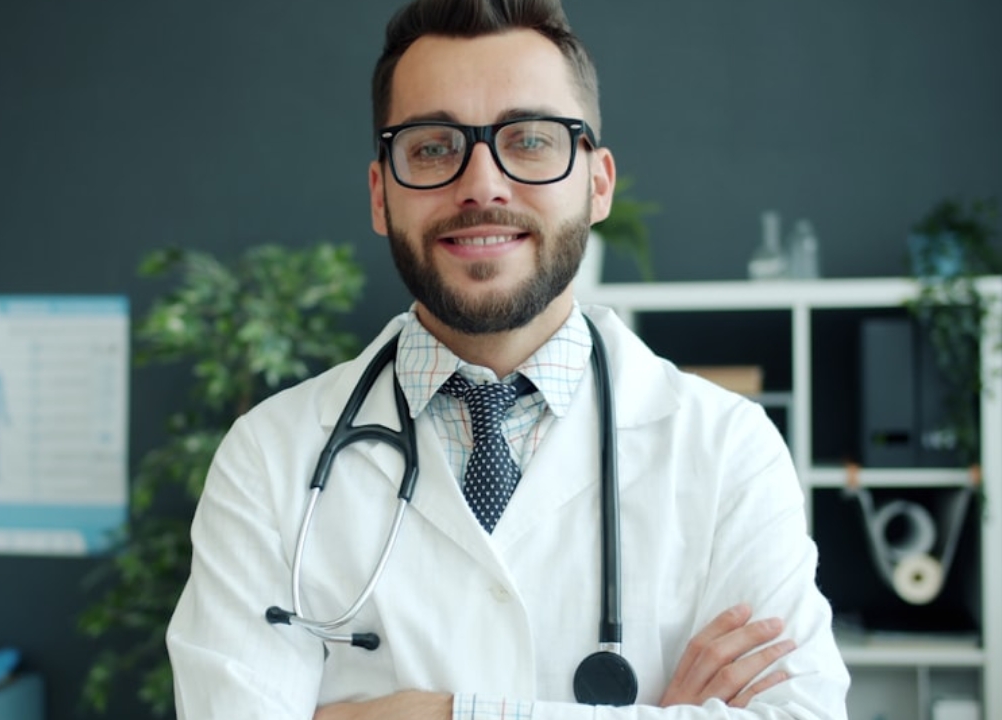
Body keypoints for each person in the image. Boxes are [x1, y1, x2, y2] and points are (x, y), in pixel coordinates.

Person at [166, 0, 850, 717]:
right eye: (432, 147)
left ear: (598, 183)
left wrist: (441, 714)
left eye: (529, 139)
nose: (482, 184)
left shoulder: (727, 451)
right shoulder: (269, 460)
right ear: (379, 194)